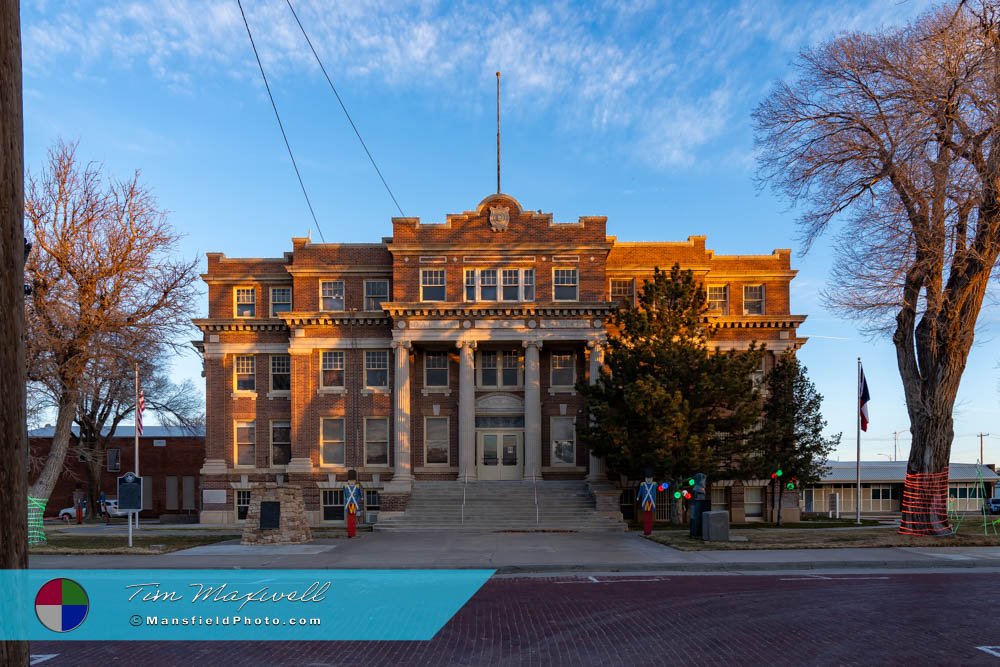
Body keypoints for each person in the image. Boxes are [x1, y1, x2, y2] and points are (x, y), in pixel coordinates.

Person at [637, 469, 657, 536]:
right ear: (645, 478)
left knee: (650, 517)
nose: (649, 479)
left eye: (650, 478)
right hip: (645, 502)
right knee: (646, 517)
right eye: (647, 478)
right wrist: (638, 497)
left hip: (651, 502)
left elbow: (658, 489)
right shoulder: (642, 484)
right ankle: (646, 531)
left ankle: (649, 531)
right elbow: (640, 491)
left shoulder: (654, 484)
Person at [344, 470, 364, 538]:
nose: (351, 482)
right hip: (349, 504)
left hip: (354, 504)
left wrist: (361, 497)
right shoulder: (345, 486)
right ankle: (351, 533)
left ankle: (352, 533)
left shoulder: (357, 487)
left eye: (353, 481)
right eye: (350, 481)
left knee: (352, 520)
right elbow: (344, 495)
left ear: (355, 481)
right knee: (350, 520)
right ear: (348, 481)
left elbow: (359, 493)